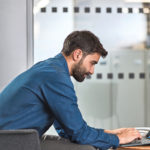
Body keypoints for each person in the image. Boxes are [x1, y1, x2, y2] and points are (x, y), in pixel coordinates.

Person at [0, 30, 141, 150]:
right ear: (78, 54)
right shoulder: (55, 77)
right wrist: (118, 139)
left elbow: (67, 129)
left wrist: (111, 133)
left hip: (15, 139)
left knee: (84, 146)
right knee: (86, 149)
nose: (92, 71)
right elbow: (79, 134)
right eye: (92, 63)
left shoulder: (49, 68)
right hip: (11, 142)